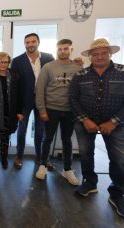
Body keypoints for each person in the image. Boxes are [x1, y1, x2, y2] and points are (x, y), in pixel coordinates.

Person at [70, 38, 124, 221]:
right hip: (85, 122)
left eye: (103, 53)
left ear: (110, 54)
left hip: (115, 123)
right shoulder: (81, 75)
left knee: (119, 159)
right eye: (95, 53)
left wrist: (114, 121)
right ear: (90, 56)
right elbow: (73, 99)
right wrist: (85, 119)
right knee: (85, 154)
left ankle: (117, 194)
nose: (99, 56)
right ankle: (90, 182)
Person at [35, 39, 82, 185]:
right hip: (51, 109)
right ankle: (43, 165)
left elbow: (82, 89)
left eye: (65, 49)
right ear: (57, 50)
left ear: (71, 50)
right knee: (47, 138)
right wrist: (42, 110)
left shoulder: (78, 68)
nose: (63, 51)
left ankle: (67, 169)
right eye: (60, 49)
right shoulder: (48, 67)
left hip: (70, 110)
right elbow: (39, 90)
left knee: (67, 140)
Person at [10, 33, 55, 169]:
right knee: (22, 130)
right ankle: (19, 156)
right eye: (27, 42)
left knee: (40, 131)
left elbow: (55, 76)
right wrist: (17, 107)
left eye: (33, 41)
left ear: (38, 42)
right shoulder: (17, 61)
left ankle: (40, 156)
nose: (30, 44)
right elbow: (14, 85)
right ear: (25, 44)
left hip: (43, 101)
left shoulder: (49, 58)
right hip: (24, 102)